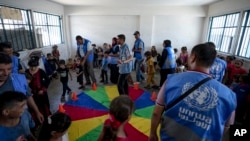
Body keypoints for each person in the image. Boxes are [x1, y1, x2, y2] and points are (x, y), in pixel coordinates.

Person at [149, 43, 236, 141]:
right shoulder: (229, 95)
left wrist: (152, 133)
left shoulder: (171, 80)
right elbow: (226, 127)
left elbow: (157, 113)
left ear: (193, 58)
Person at [0, 53, 44, 123]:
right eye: (1, 70)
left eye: (9, 69)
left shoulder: (19, 79)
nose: (6, 73)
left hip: (23, 120)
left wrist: (37, 112)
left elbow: (28, 96)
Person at [25, 57, 51, 126]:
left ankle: (46, 121)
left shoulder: (41, 71)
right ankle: (37, 123)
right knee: (34, 108)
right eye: (31, 66)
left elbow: (48, 80)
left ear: (37, 66)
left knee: (44, 108)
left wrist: (43, 89)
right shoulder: (27, 72)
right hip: (31, 95)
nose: (33, 68)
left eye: (35, 66)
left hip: (42, 94)